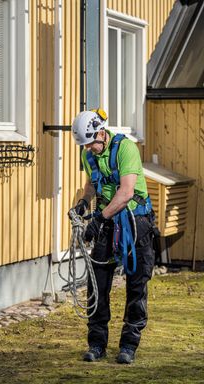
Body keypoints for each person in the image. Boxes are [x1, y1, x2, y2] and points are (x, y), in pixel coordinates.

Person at [69, 109, 156, 364]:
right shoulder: (89, 154)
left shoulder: (125, 149)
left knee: (137, 285)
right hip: (107, 221)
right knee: (98, 284)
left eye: (91, 143)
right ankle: (96, 344)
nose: (89, 149)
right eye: (84, 145)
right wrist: (84, 203)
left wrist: (99, 218)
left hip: (135, 221)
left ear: (101, 133)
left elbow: (127, 192)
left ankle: (129, 345)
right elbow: (92, 183)